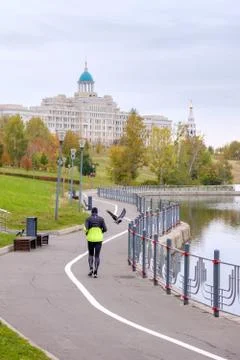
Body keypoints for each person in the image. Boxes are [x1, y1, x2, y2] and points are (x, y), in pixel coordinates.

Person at [84, 207, 107, 278]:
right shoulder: (101, 219)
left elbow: (85, 229)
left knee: (91, 254)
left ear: (91, 212)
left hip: (90, 239)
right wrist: (100, 232)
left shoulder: (88, 219)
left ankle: (91, 268)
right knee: (97, 256)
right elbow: (105, 229)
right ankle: (96, 272)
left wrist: (87, 233)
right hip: (98, 239)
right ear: (97, 212)